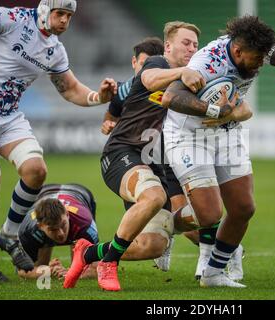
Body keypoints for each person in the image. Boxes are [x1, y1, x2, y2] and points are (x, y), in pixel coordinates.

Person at [162, 15, 275, 288]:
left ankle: (213, 274)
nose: (260, 65)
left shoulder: (251, 46)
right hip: (188, 136)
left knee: (243, 208)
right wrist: (216, 110)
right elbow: (170, 97)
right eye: (256, 60)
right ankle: (162, 226)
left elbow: (271, 51)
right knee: (210, 215)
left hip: (227, 133)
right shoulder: (207, 63)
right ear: (237, 51)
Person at [0, 0, 117, 283]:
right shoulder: (11, 18)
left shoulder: (54, 50)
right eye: (59, 13)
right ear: (44, 10)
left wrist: (99, 98)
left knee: (36, 170)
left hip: (8, 116)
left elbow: (70, 89)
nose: (64, 20)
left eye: (69, 16)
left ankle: (8, 235)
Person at [63, 21, 208, 292]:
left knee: (153, 245)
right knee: (154, 197)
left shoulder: (190, 80)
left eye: (195, 45)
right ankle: (110, 263)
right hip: (122, 153)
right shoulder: (158, 64)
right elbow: (149, 80)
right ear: (168, 46)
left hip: (157, 165)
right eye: (186, 43)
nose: (191, 48)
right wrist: (185, 72)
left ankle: (89, 254)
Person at [100, 37, 245, 278]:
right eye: (144, 64)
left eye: (193, 45)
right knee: (156, 225)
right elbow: (113, 109)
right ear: (135, 63)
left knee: (191, 219)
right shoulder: (130, 86)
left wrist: (225, 112)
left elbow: (236, 106)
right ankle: (111, 257)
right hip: (142, 160)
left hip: (172, 159)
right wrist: (108, 122)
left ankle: (224, 249)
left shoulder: (188, 83)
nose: (148, 69)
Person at [18, 183, 179, 280]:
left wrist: (72, 271)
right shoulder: (27, 231)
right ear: (40, 226)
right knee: (41, 263)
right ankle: (47, 250)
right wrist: (47, 271)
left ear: (67, 215)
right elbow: (23, 272)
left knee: (80, 260)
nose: (60, 233)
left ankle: (58, 242)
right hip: (43, 194)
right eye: (53, 229)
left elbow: (94, 268)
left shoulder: (84, 224)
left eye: (63, 225)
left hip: (80, 193)